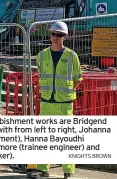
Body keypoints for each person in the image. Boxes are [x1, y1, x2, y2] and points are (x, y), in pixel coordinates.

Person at [27, 21, 83, 179]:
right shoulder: (41, 55)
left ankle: (68, 171)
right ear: (50, 35)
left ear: (65, 36)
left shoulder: (72, 56)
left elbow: (78, 79)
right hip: (46, 102)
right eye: (53, 34)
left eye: (59, 35)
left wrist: (65, 91)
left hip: (64, 104)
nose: (55, 37)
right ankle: (43, 170)